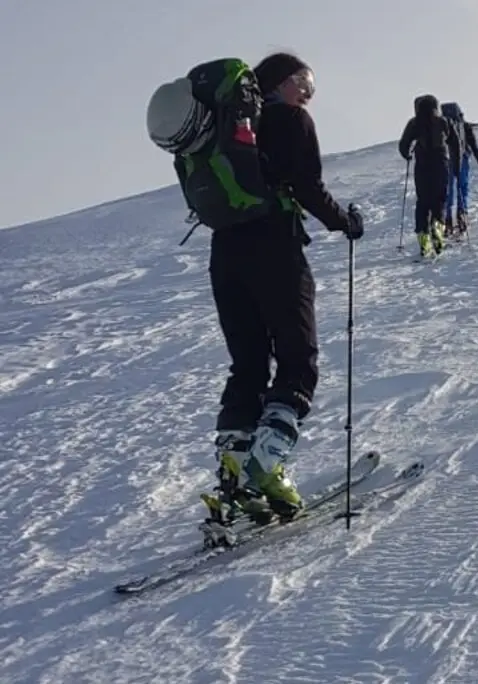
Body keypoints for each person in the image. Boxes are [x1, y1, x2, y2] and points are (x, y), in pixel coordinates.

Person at [146, 52, 364, 531]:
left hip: (225, 253)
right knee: (296, 359)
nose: (309, 92)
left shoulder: (225, 130)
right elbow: (307, 187)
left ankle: (233, 471)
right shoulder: (289, 119)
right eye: (304, 81)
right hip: (274, 246)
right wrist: (345, 222)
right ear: (280, 82)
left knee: (247, 364)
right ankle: (262, 470)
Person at [398, 94, 461, 257]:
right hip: (441, 163)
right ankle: (438, 232)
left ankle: (423, 239)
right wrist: (457, 167)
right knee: (440, 200)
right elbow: (456, 143)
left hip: (422, 165)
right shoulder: (444, 122)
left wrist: (407, 155)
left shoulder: (414, 123)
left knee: (423, 203)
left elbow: (403, 145)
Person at [439, 102, 478, 237]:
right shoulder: (464, 126)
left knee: (449, 189)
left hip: (446, 160)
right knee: (463, 188)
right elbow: (473, 146)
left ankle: (448, 220)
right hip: (463, 158)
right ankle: (462, 216)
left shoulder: (442, 126)